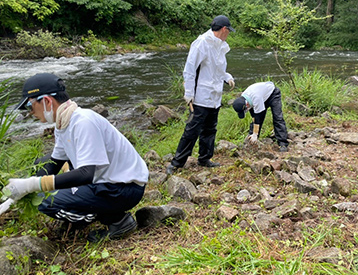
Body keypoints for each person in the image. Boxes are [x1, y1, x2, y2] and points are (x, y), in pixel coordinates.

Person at [4, 73, 149, 242]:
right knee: (40, 165)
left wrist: (31, 185)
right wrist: (14, 194)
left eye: (30, 105)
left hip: (124, 189)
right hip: (107, 183)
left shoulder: (83, 121)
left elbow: (86, 174)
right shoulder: (63, 123)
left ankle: (117, 220)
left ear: (47, 101)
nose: (30, 113)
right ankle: (89, 211)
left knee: (45, 201)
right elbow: (53, 164)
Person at [166, 15, 235, 175]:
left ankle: (204, 159)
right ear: (224, 29)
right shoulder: (202, 43)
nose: (229, 34)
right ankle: (176, 163)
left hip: (215, 95)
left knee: (210, 129)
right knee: (192, 130)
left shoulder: (220, 46)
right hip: (201, 96)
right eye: (229, 31)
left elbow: (217, 70)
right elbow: (189, 69)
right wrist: (189, 93)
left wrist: (227, 77)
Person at [232, 81, 289, 152]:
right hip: (262, 96)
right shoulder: (244, 97)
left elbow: (258, 117)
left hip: (273, 94)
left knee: (277, 118)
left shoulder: (256, 97)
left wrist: (255, 133)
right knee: (256, 120)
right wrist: (253, 133)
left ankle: (283, 143)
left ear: (246, 105)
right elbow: (254, 116)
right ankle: (251, 141)